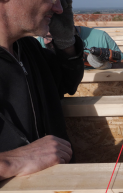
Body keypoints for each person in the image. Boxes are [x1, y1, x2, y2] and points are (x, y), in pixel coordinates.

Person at [0, 0, 84, 181]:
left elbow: (66, 84)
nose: (59, 9)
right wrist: (8, 162)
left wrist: (65, 42)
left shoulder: (28, 48)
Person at [37, 26, 123, 69]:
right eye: (44, 37)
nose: (45, 41)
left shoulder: (101, 37)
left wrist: (107, 66)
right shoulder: (39, 43)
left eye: (52, 38)